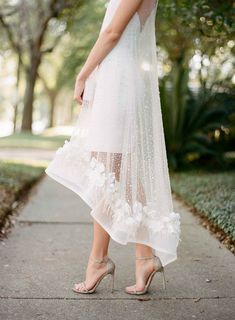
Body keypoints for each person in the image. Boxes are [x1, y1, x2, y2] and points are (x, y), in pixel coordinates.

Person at [45, 0, 181, 295]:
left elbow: (111, 34)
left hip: (119, 83)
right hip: (116, 81)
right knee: (117, 175)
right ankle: (143, 258)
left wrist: (82, 74)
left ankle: (99, 261)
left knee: (107, 173)